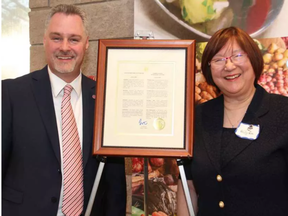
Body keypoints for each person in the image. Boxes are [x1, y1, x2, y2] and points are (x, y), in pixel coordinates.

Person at [2, 4, 126, 216]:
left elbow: (114, 186)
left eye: (74, 39)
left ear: (86, 44)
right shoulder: (10, 94)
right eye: (57, 38)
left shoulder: (105, 99)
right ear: (45, 40)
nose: (65, 47)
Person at [177, 26, 288, 216]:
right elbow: (188, 186)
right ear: (209, 69)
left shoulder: (282, 113)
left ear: (253, 59)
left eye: (237, 56)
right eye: (219, 59)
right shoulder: (197, 117)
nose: (229, 66)